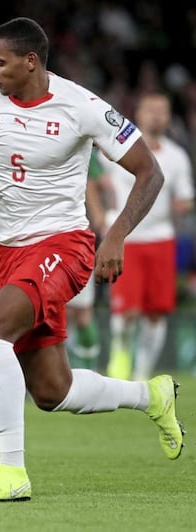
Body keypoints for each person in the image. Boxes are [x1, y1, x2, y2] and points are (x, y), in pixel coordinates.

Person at [0, 17, 184, 503]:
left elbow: (148, 172)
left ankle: (11, 472)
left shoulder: (82, 106)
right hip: (11, 251)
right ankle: (151, 396)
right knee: (52, 391)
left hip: (63, 246)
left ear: (31, 62)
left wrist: (115, 234)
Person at [102, 92, 195, 381]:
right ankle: (120, 357)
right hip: (127, 239)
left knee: (156, 312)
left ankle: (142, 374)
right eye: (151, 109)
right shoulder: (119, 146)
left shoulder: (177, 156)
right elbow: (94, 176)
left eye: (163, 110)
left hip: (161, 239)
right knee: (127, 310)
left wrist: (183, 204)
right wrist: (102, 212)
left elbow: (185, 197)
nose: (157, 115)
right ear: (138, 113)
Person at [65, 149, 111, 370]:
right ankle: (54, 373)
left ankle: (88, 369)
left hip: (76, 238)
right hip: (50, 235)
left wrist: (102, 220)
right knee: (58, 313)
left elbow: (101, 185)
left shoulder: (85, 149)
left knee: (80, 313)